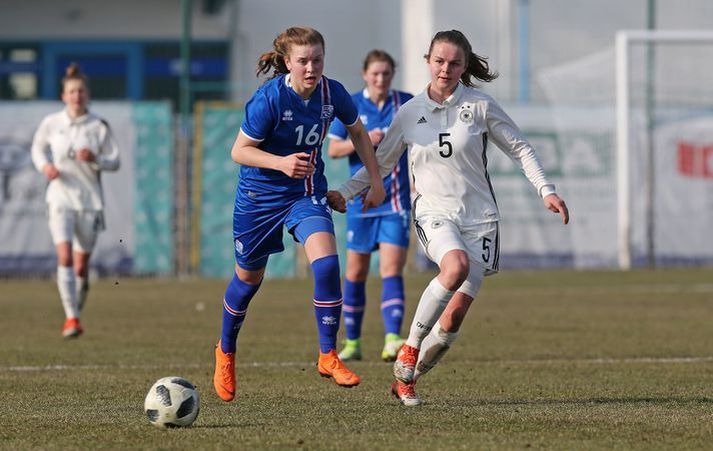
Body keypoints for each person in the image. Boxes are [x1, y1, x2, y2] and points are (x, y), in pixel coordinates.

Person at [328, 30, 569, 406]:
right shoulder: (409, 113)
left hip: (480, 220)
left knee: (454, 317)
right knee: (452, 267)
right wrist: (343, 192)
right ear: (428, 60)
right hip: (433, 212)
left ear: (464, 66)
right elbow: (382, 162)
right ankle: (408, 348)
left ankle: (408, 380)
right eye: (439, 61)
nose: (446, 69)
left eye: (455, 63)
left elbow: (520, 148)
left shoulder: (480, 106)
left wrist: (546, 189)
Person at [213, 26, 386, 402]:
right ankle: (225, 351)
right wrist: (280, 162)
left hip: (305, 194)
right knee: (247, 283)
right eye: (303, 60)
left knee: (325, 265)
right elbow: (239, 151)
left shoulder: (332, 93)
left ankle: (328, 354)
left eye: (317, 59)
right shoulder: (269, 99)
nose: (311, 67)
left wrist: (375, 180)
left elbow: (357, 132)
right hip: (258, 200)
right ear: (288, 63)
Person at [327, 50, 413, 363]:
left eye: (386, 74)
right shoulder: (352, 103)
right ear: (365, 74)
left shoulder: (405, 102)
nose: (380, 79)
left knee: (392, 270)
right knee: (356, 272)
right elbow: (334, 149)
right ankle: (353, 342)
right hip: (360, 202)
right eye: (375, 74)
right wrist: (363, 140)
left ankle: (392, 339)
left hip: (395, 202)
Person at [31, 62, 120, 338]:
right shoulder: (51, 123)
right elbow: (37, 149)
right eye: (71, 91)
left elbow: (115, 161)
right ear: (63, 96)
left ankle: (76, 304)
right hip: (59, 198)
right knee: (65, 256)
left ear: (87, 94)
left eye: (81, 91)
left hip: (90, 201)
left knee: (81, 265)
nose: (76, 96)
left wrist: (96, 159)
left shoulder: (98, 126)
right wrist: (45, 167)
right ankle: (71, 318)